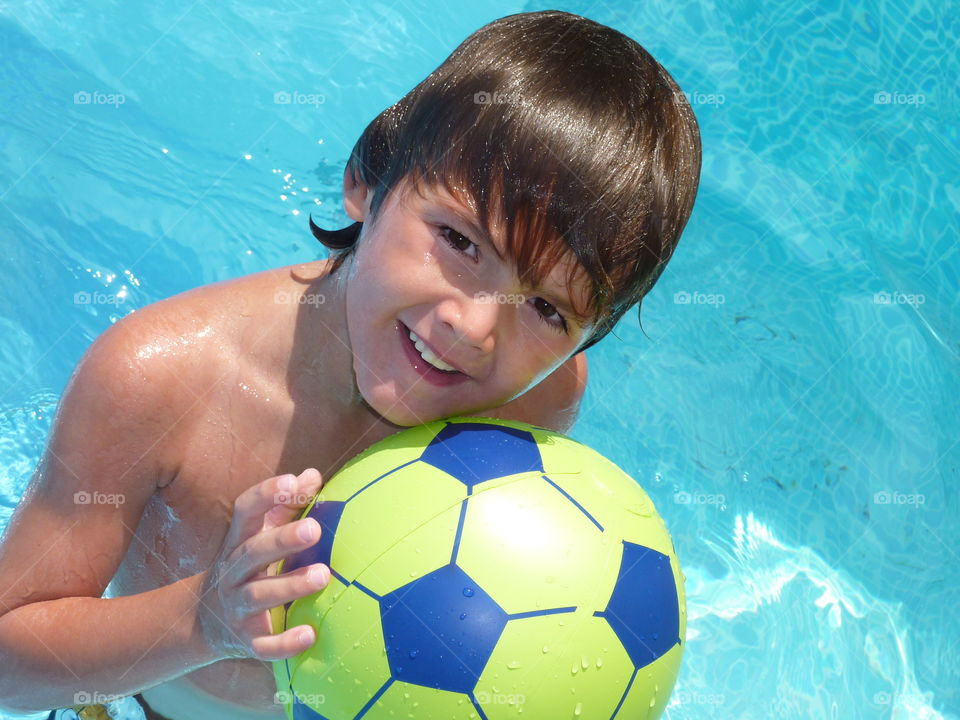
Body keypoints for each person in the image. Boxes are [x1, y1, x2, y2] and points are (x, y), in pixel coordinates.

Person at [0, 9, 700, 720]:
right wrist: (202, 619)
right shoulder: (160, 380)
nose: (474, 326)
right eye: (459, 240)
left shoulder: (538, 400)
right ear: (367, 182)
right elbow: (6, 666)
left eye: (547, 310)